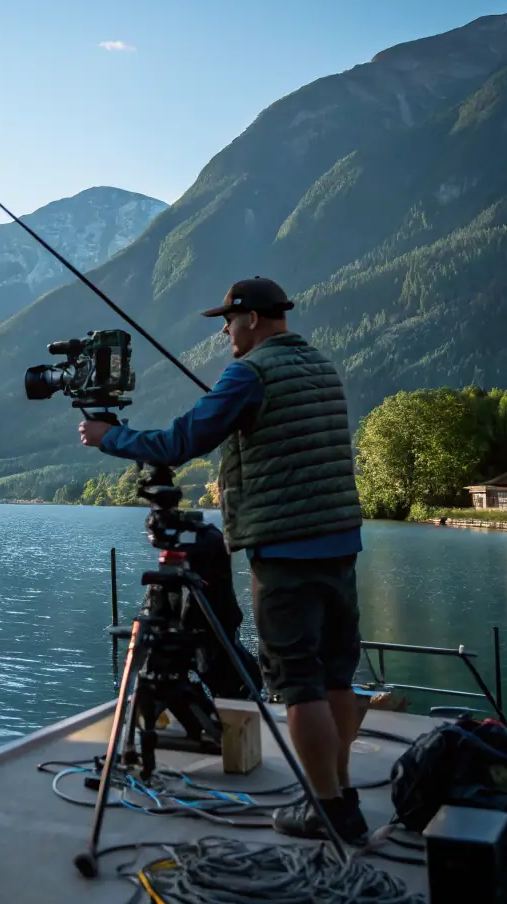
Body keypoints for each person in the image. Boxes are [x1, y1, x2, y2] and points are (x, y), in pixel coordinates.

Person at [78, 277, 367, 843]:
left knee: (299, 682)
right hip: (340, 543)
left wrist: (109, 437)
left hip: (285, 549)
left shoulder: (251, 373)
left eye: (229, 323)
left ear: (253, 320)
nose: (225, 333)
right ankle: (343, 794)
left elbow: (181, 442)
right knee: (337, 675)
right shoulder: (321, 367)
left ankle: (326, 810)